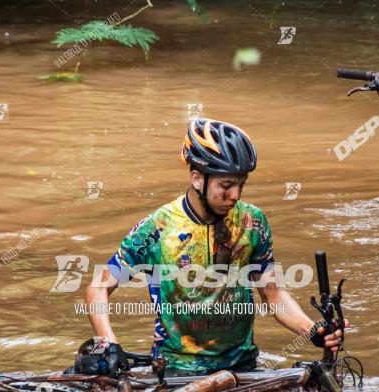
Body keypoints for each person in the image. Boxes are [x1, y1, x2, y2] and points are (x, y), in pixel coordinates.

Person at [84, 118, 346, 376]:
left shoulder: (252, 223)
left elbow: (274, 295)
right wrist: (108, 342)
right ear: (198, 179)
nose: (236, 195)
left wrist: (313, 331)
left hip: (242, 366)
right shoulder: (158, 228)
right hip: (177, 370)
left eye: (241, 184)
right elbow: (98, 287)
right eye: (226, 186)